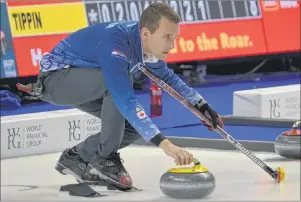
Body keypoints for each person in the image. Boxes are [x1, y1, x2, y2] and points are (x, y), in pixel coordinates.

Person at [33, 2, 224, 190]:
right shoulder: (117, 46)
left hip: (84, 83)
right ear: (146, 34)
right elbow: (124, 98)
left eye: (174, 37)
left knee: (132, 128)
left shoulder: (143, 42)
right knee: (118, 87)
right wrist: (165, 145)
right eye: (166, 37)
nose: (172, 45)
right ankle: (104, 159)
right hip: (56, 81)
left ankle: (78, 157)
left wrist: (202, 106)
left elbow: (166, 77)